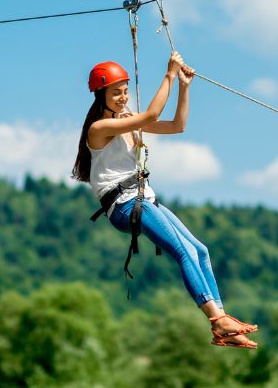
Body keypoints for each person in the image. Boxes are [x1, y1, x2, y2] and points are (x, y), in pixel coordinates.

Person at [71, 52, 258, 349]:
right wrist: (168, 74)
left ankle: (223, 321)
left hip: (143, 198)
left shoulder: (127, 120)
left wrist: (184, 86)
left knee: (200, 250)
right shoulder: (99, 129)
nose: (122, 97)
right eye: (115, 93)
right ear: (100, 96)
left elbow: (177, 125)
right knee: (182, 251)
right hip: (125, 205)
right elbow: (151, 116)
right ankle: (216, 320)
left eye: (124, 91)